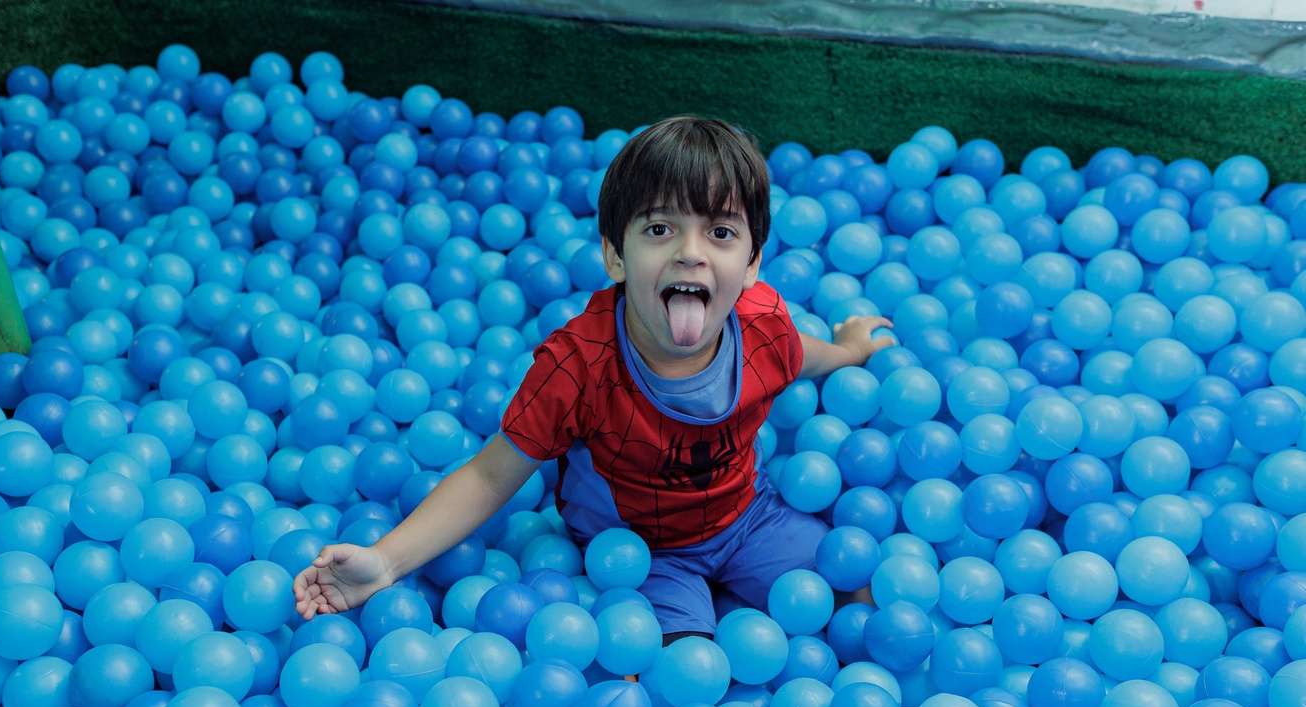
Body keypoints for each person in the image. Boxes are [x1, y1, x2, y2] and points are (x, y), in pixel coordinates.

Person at [294, 115, 892, 639]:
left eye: (721, 233)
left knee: (860, 601)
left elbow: (799, 355)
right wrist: (386, 561)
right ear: (614, 256)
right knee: (674, 671)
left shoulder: (763, 325)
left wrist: (847, 352)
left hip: (746, 516)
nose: (691, 252)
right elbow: (489, 475)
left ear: (753, 262)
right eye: (659, 229)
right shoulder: (577, 367)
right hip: (635, 550)